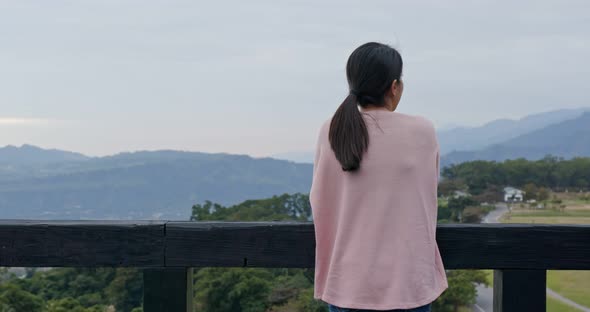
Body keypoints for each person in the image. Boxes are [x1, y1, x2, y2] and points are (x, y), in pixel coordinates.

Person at [309, 42, 448, 312]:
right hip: (409, 283)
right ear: (394, 87)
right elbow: (427, 194)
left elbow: (320, 201)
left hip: (346, 284)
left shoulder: (332, 130)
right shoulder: (422, 131)